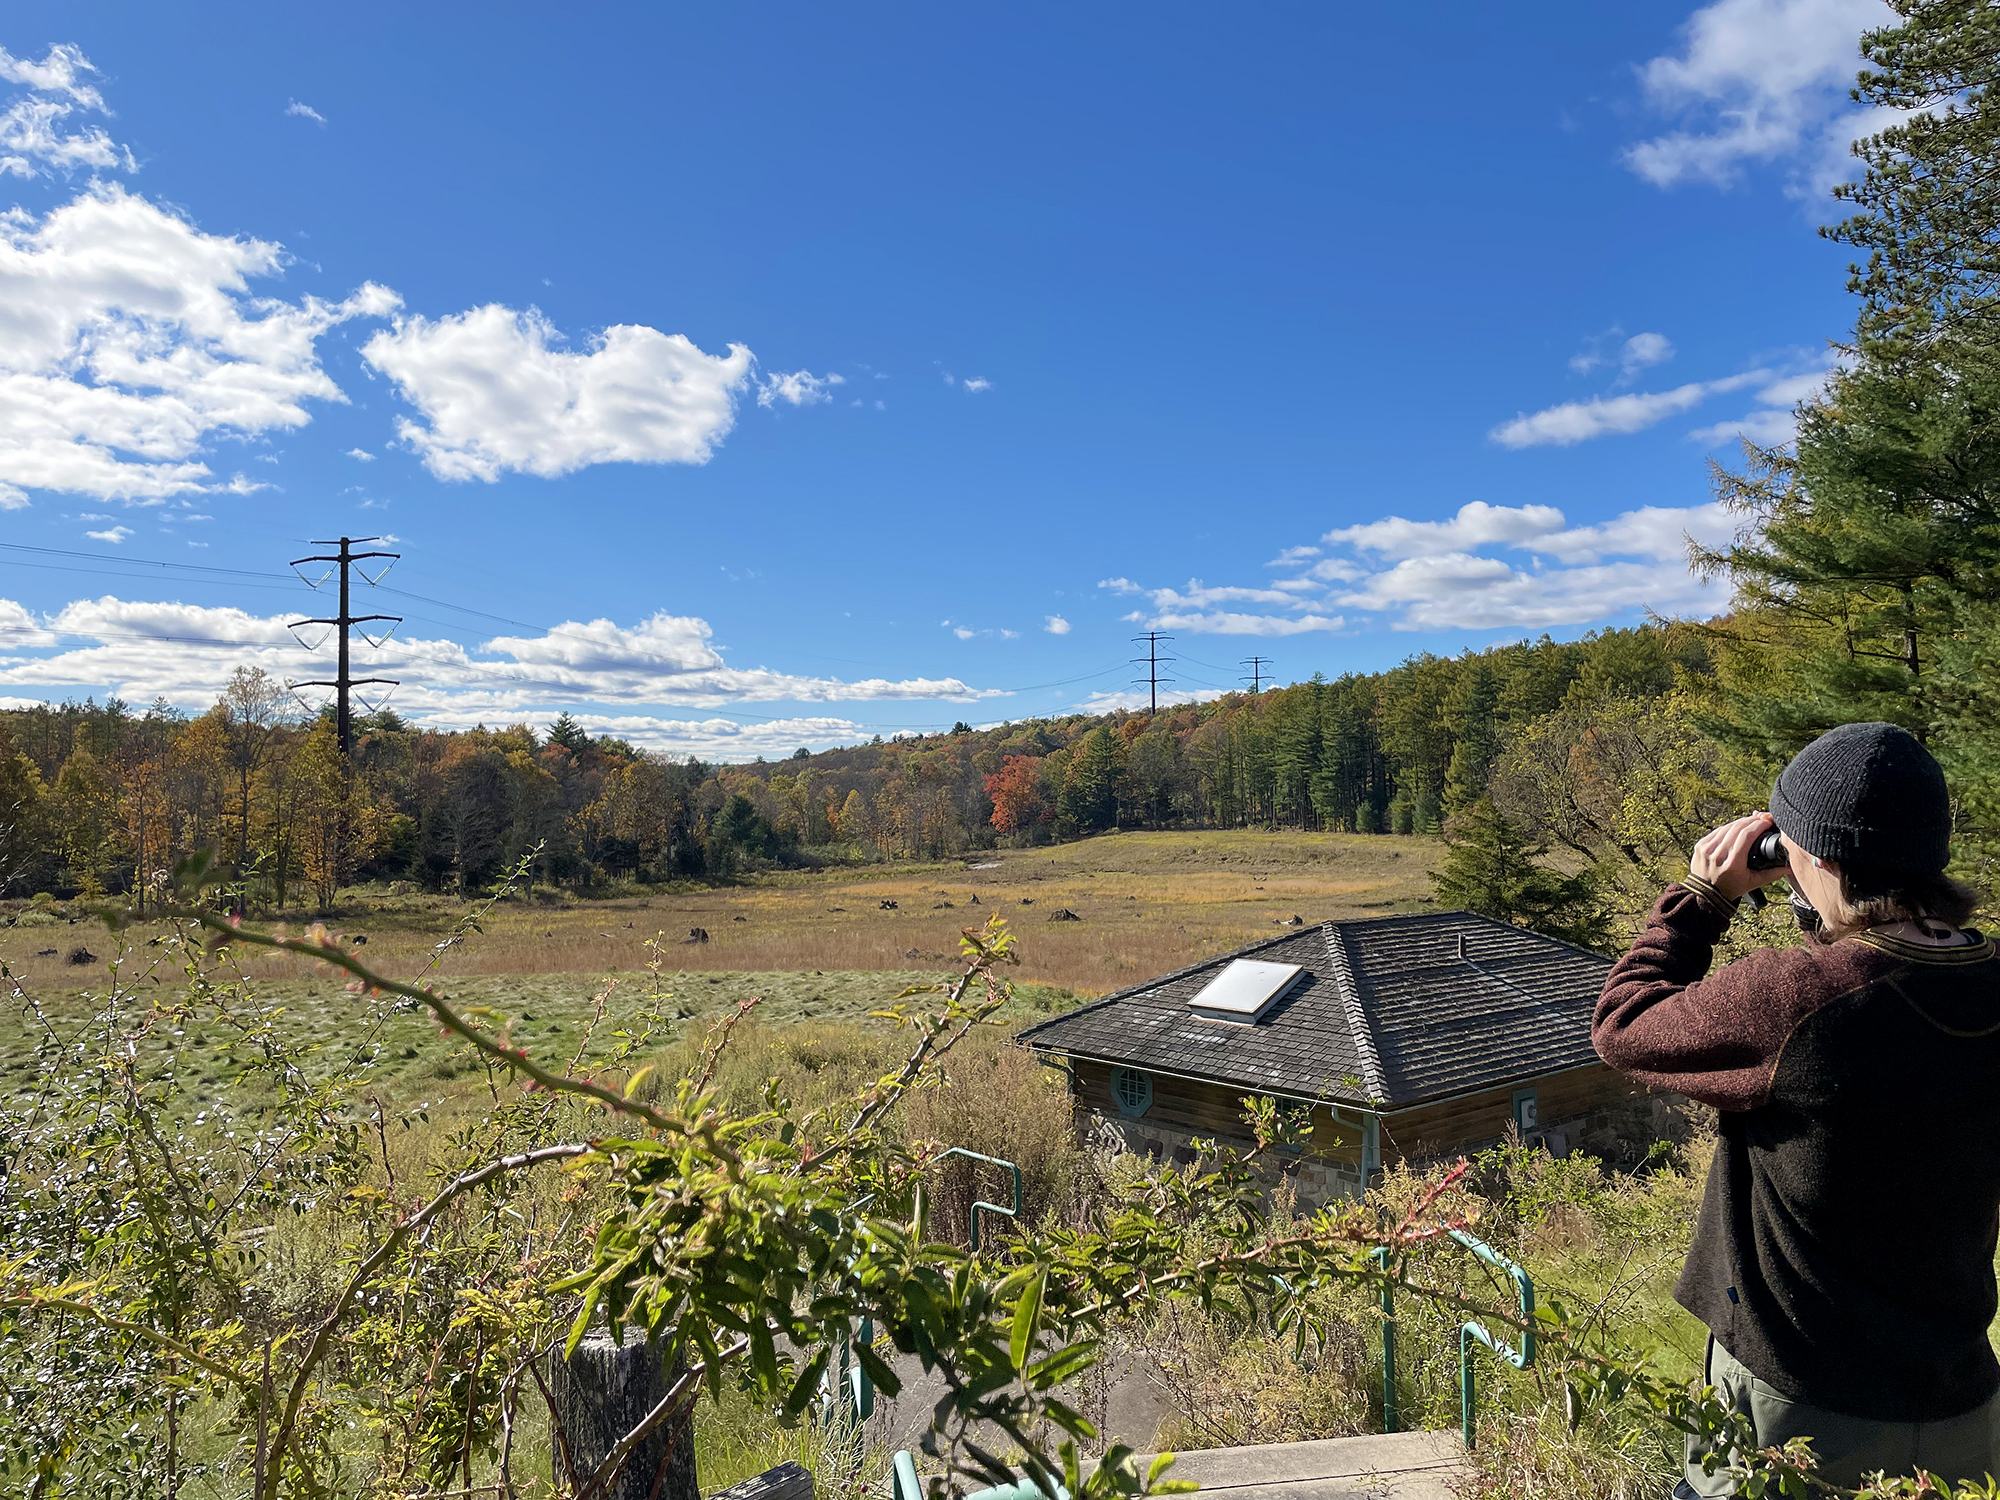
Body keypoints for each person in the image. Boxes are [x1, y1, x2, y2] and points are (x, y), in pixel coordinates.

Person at [1593, 721, 2000, 1497]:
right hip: (1961, 1401)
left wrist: (1702, 899)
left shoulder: (1795, 1001)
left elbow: (1623, 1025)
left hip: (1799, 1406)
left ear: (1812, 857)